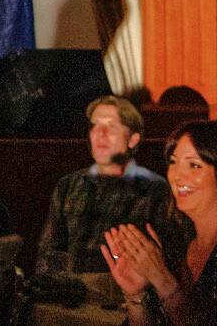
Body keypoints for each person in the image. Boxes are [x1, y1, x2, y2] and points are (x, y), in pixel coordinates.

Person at [38, 95, 171, 274]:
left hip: (126, 295)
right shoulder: (68, 185)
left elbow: (164, 259)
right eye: (95, 125)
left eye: (111, 126)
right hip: (72, 293)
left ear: (132, 139)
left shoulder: (155, 190)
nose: (101, 133)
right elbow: (49, 252)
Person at [103, 120, 217, 325]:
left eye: (194, 165)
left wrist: (163, 280)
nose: (177, 176)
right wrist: (135, 295)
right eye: (173, 162)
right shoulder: (176, 241)